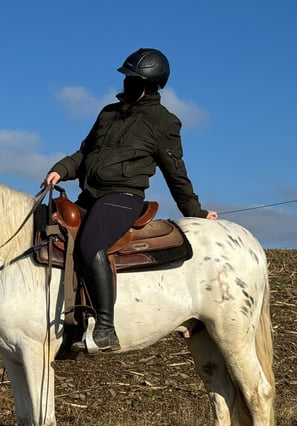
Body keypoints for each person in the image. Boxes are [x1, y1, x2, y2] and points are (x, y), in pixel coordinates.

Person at [41, 48, 218, 353]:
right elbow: (84, 154)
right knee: (48, 228)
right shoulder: (108, 113)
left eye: (135, 80)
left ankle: (106, 329)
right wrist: (61, 169)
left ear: (151, 85)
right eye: (127, 78)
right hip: (89, 195)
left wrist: (195, 212)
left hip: (123, 198)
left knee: (90, 244)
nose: (128, 84)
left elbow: (176, 173)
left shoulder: (163, 122)